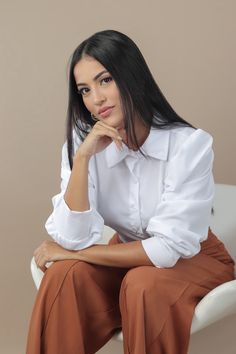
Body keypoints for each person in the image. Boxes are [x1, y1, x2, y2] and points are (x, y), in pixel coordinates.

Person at [26, 29, 235, 354]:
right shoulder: (84, 146)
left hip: (193, 258)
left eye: (105, 80)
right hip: (129, 256)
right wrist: (82, 159)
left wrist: (75, 253)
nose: (95, 98)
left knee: (143, 284)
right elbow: (72, 237)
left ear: (131, 76)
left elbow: (167, 250)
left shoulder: (189, 144)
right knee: (64, 276)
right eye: (84, 89)